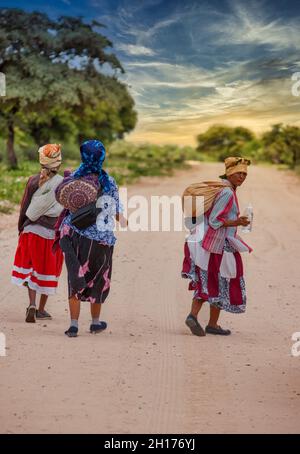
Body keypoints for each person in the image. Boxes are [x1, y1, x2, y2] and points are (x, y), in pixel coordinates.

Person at [55, 139, 127, 338]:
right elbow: (115, 210)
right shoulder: (108, 181)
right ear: (102, 157)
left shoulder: (72, 180)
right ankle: (95, 323)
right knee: (99, 278)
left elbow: (64, 201)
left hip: (73, 234)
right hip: (100, 239)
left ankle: (73, 325)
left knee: (75, 277)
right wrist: (124, 220)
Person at [182, 157, 252, 336]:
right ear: (229, 173)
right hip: (218, 244)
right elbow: (214, 221)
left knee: (209, 281)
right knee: (222, 281)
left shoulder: (221, 187)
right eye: (239, 173)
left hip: (208, 243)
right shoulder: (227, 192)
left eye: (244, 174)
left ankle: (202, 319)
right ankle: (205, 321)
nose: (242, 177)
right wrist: (237, 221)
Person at [11, 144, 64, 323]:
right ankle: (41, 309)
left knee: (32, 268)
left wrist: (21, 228)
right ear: (58, 162)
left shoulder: (33, 181)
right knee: (46, 270)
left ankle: (31, 304)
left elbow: (24, 207)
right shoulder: (63, 182)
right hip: (51, 235)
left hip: (31, 231)